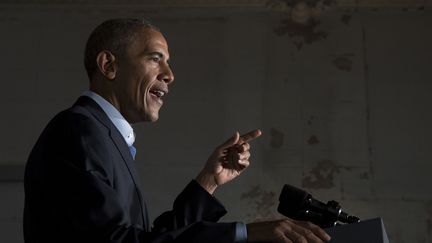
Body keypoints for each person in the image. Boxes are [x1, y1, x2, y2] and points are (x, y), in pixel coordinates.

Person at [24, 18, 331, 243]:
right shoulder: (80, 130)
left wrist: (208, 181)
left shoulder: (102, 135)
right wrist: (244, 233)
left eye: (168, 63)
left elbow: (148, 238)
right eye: (155, 59)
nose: (169, 75)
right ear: (109, 65)